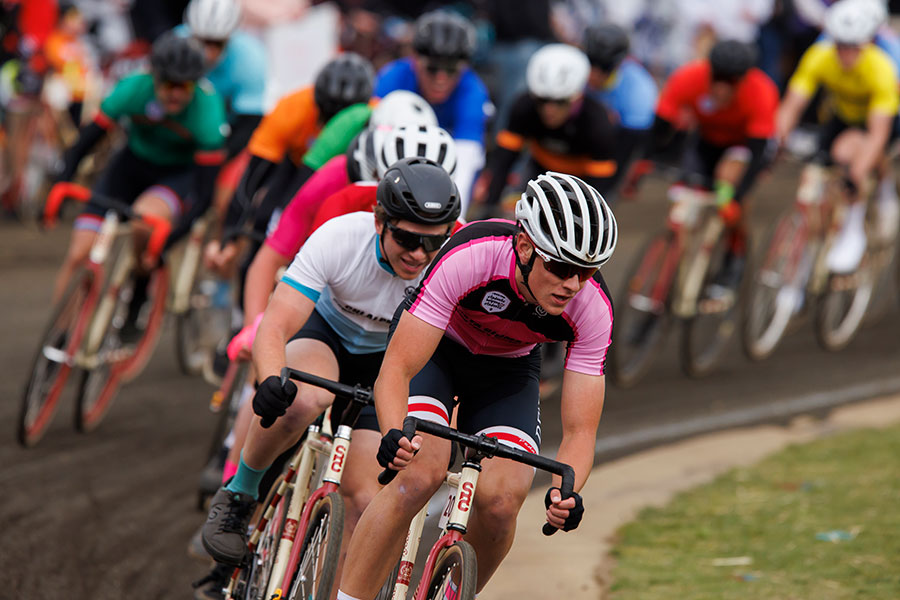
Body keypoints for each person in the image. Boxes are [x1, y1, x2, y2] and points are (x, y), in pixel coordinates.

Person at [335, 171, 617, 600]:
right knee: (419, 472)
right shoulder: (473, 254)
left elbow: (581, 430)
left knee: (503, 503)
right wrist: (394, 432)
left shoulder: (592, 307)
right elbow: (396, 369)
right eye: (561, 267)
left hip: (509, 369)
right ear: (524, 247)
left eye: (586, 271)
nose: (572, 285)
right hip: (439, 347)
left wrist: (567, 493)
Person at [200, 157, 462, 576]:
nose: (419, 255)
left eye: (433, 243)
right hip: (329, 336)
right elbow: (277, 322)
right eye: (407, 239)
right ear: (379, 222)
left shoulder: (456, 259)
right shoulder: (341, 237)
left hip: (391, 361)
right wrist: (270, 379)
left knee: (364, 500)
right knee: (303, 401)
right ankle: (240, 494)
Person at [52, 31, 226, 341]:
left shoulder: (207, 111)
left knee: (145, 223)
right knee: (79, 251)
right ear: (154, 77)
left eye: (183, 86)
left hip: (177, 175)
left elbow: (203, 196)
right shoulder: (134, 88)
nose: (174, 94)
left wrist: (170, 240)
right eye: (168, 84)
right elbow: (85, 143)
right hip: (129, 166)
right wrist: (61, 183)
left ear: (195, 84)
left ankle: (138, 293)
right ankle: (59, 335)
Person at [205, 52, 374, 276]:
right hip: (296, 166)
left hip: (347, 176)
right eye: (326, 115)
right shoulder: (292, 107)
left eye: (342, 119)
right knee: (266, 220)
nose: (331, 129)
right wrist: (230, 236)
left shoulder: (376, 114)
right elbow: (252, 179)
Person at [777, 0, 900, 274]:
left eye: (852, 47)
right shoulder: (820, 54)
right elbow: (792, 104)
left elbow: (879, 133)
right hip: (843, 113)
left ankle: (872, 204)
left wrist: (857, 174)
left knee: (851, 157)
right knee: (823, 167)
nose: (844, 54)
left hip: (884, 115)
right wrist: (777, 139)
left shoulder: (883, 65)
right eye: (839, 45)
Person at [652, 39, 779, 297]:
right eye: (717, 78)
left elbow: (755, 156)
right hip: (706, 140)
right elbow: (660, 127)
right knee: (685, 195)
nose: (721, 88)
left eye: (729, 82)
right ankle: (677, 266)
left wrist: (736, 196)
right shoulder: (688, 78)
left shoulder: (761, 92)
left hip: (744, 145)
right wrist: (649, 160)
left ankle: (735, 252)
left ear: (743, 79)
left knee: (729, 184)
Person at [475, 43, 618, 214]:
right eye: (542, 100)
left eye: (560, 101)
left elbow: (599, 189)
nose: (549, 110)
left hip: (583, 180)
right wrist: (489, 207)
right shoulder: (524, 106)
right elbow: (504, 160)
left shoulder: (598, 124)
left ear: (577, 97)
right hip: (540, 170)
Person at [374, 10, 490, 215]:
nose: (441, 78)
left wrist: (454, 220)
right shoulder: (392, 78)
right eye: (433, 68)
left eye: (451, 70)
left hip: (445, 167)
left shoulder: (473, 91)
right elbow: (373, 145)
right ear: (414, 60)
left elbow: (465, 161)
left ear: (464, 67)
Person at [583, 22, 658, 196]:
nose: (593, 75)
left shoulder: (639, 90)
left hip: (614, 144)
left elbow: (626, 150)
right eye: (591, 64)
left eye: (602, 68)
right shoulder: (572, 69)